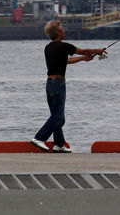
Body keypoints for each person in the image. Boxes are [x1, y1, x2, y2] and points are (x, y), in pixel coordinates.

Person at [31, 20, 104, 153]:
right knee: (58, 117)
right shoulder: (64, 46)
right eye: (62, 28)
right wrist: (96, 51)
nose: (64, 30)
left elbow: (65, 61)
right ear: (59, 33)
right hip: (58, 84)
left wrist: (83, 59)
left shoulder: (48, 47)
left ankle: (59, 144)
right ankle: (39, 138)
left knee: (57, 116)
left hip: (49, 84)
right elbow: (81, 51)